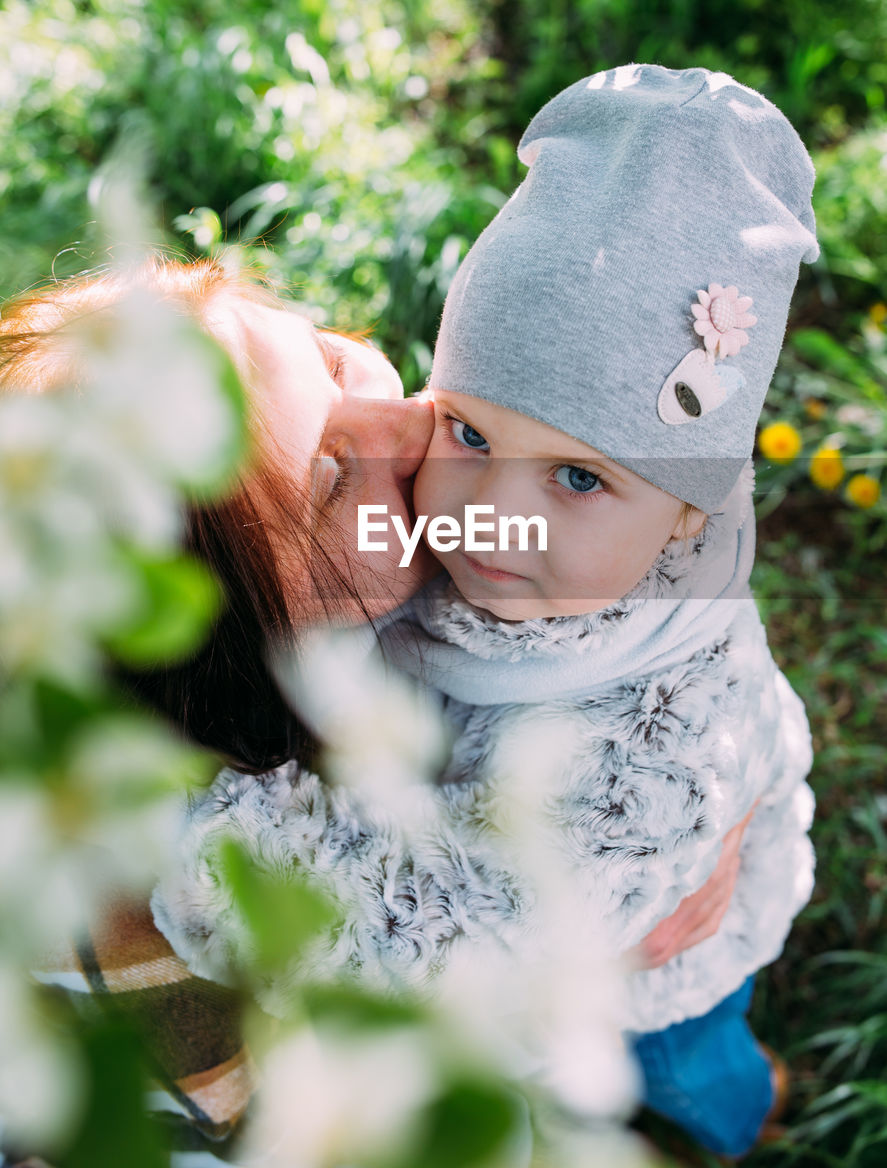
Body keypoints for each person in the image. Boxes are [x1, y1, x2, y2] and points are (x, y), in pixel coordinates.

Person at [156, 66, 816, 1159]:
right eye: (467, 432)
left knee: (680, 1074)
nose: (485, 515)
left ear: (681, 517)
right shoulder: (515, 535)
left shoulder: (651, 750)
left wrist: (195, 830)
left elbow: (423, 935)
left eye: (577, 478)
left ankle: (738, 1115)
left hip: (643, 967)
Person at [0, 256, 748, 1157]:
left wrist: (724, 775)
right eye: (328, 480)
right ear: (233, 647)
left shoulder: (445, 525)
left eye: (324, 356)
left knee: (702, 1073)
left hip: (681, 953)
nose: (417, 419)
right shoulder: (166, 884)